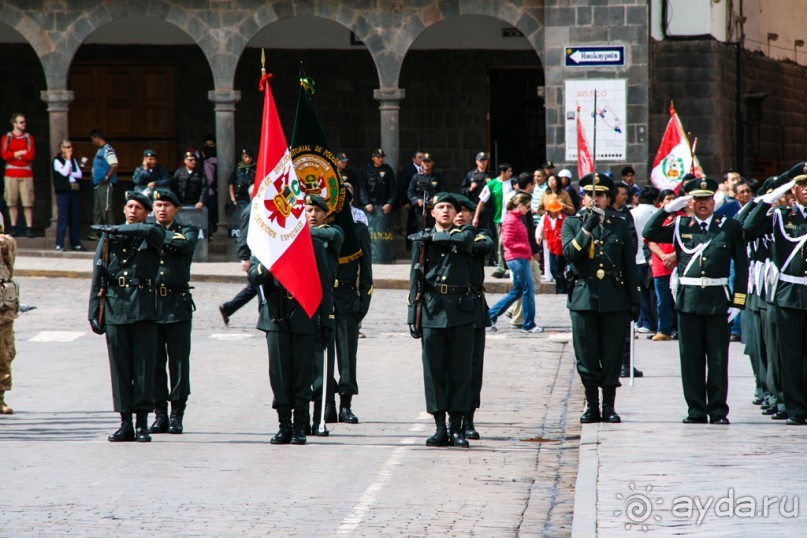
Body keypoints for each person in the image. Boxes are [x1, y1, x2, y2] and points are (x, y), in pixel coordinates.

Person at [643, 177, 748, 425]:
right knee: (690, 359)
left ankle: (718, 410)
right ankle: (696, 410)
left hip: (717, 301)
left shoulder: (729, 226)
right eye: (698, 199)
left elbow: (742, 266)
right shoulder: (680, 225)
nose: (703, 204)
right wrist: (668, 208)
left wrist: (738, 302)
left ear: (714, 201)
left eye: (707, 199)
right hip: (688, 301)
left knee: (718, 359)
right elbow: (649, 232)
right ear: (691, 202)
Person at [248, 194, 338, 445]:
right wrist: (271, 260)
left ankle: (300, 426)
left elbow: (325, 288)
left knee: (301, 374)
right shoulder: (266, 244)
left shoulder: (315, 245)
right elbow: (254, 278)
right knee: (279, 375)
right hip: (275, 317)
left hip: (304, 315)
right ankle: (284, 425)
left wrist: (327, 321)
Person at [562, 173, 640, 424]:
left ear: (608, 199)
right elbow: (570, 254)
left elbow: (628, 264)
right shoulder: (572, 224)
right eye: (590, 195)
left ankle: (608, 406)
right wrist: (587, 227)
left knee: (611, 353)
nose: (594, 199)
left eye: (600, 195)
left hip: (614, 298)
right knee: (586, 354)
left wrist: (634, 299)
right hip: (584, 297)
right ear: (583, 198)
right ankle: (591, 405)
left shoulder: (619, 224)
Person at [88, 191, 163, 442]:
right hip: (115, 307)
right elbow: (98, 273)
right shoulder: (109, 237)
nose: (133, 210)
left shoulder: (152, 233)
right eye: (129, 206)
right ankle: (125, 423)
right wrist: (93, 311)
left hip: (142, 308)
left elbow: (151, 233)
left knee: (143, 368)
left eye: (138, 208)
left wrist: (116, 229)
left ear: (146, 213)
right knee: (119, 369)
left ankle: (142, 423)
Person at [408, 193, 476, 448]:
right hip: (431, 309)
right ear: (433, 213)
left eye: (450, 207)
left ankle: (456, 426)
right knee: (433, 371)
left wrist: (434, 237)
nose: (446, 211)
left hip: (460, 310)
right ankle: (439, 427)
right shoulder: (421, 240)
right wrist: (411, 315)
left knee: (460, 370)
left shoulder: (465, 233)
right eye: (440, 207)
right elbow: (415, 277)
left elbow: (466, 241)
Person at [743, 167, 807, 425]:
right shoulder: (782, 216)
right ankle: (796, 407)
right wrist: (776, 190)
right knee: (790, 354)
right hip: (789, 292)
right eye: (802, 185)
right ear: (794, 190)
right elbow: (748, 225)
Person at [147, 189, 199, 436]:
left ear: (175, 209)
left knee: (178, 363)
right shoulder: (145, 230)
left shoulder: (187, 230)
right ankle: (160, 414)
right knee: (155, 363)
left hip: (177, 304)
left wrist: (154, 234)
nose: (161, 209)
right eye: (158, 204)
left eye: (167, 205)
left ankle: (177, 413)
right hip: (153, 304)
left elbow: (184, 245)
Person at [330, 187, 372, 425]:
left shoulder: (358, 230)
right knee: (321, 354)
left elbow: (367, 272)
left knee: (347, 355)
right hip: (324, 297)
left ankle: (345, 404)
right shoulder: (318, 231)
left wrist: (362, 303)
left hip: (347, 297)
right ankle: (326, 403)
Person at [453, 193, 493, 439]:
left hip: (474, 309)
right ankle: (450, 419)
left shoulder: (480, 234)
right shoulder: (440, 236)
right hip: (449, 310)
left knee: (472, 366)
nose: (458, 214)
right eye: (454, 210)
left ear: (471, 215)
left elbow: (483, 245)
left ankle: (468, 418)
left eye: (463, 211)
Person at [308, 196, 344, 436]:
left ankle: (318, 418)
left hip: (323, 302)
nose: (312, 215)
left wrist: (296, 232)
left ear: (325, 214)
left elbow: (332, 237)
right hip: (299, 304)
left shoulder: (333, 232)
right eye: (307, 210)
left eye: (317, 211)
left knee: (322, 368)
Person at [487, 193, 543, 334]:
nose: (529, 209)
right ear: (520, 205)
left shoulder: (517, 218)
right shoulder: (511, 220)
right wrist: (526, 248)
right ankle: (528, 324)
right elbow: (507, 242)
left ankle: (490, 315)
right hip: (517, 259)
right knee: (528, 291)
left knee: (517, 291)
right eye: (528, 206)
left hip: (520, 258)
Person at [646, 189, 679, 342]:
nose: (671, 201)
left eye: (674, 198)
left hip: (679, 265)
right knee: (662, 300)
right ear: (661, 203)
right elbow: (649, 241)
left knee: (679, 299)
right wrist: (664, 256)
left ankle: (679, 329)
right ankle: (663, 329)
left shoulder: (683, 219)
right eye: (668, 199)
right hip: (661, 265)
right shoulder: (657, 220)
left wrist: (674, 256)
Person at [219, 200, 257, 326]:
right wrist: (244, 257)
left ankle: (228, 308)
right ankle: (228, 308)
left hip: (258, 257)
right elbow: (244, 234)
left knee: (254, 288)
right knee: (256, 287)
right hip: (255, 258)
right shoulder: (252, 209)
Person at [472, 163, 514, 278]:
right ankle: (501, 267)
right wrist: (476, 216)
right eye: (509, 171)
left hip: (512, 219)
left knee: (506, 242)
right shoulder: (492, 184)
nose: (511, 174)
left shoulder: (513, 183)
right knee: (501, 242)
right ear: (503, 172)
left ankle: (509, 267)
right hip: (499, 219)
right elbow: (481, 201)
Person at [357, 148, 397, 262]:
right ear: (373, 158)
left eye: (382, 157)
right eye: (378, 157)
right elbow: (362, 188)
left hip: (384, 207)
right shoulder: (366, 170)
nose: (381, 159)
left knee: (384, 233)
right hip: (370, 207)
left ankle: (386, 255)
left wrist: (390, 202)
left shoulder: (387, 170)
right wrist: (366, 203)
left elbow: (393, 188)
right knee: (370, 233)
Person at [630, 186, 660, 334]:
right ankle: (652, 321)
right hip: (653, 257)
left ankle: (644, 321)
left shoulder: (632, 213)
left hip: (636, 257)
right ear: (655, 199)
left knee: (640, 293)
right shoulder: (658, 213)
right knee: (653, 294)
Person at [1, 113, 35, 237]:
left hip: (26, 173)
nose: (24, 124)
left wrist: (14, 154)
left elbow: (30, 155)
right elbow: (5, 155)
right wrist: (19, 153)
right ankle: (14, 226)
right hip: (11, 173)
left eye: (24, 122)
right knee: (11, 201)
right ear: (14, 123)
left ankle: (29, 227)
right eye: (21, 122)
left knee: (28, 202)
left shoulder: (28, 138)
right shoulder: (7, 138)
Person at [51, 139, 85, 252]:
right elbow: (64, 172)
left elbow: (79, 174)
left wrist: (71, 167)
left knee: (74, 216)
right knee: (63, 216)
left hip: (74, 190)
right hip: (63, 191)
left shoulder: (74, 160)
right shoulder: (57, 160)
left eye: (71, 147)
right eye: (67, 147)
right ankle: (59, 243)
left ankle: (75, 243)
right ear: (62, 148)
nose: (70, 149)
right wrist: (68, 160)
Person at [87, 129, 119, 240]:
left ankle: (110, 233)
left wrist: (106, 177)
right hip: (98, 184)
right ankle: (97, 232)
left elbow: (114, 164)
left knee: (106, 208)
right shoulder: (99, 150)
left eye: (93, 140)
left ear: (97, 138)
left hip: (105, 185)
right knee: (97, 209)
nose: (92, 142)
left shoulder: (107, 149)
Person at [0, 232, 18, 414]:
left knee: (3, 354)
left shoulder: (5, 243)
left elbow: (7, 246)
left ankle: (0, 397)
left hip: (2, 311)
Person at [407, 152, 445, 230]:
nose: (427, 164)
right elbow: (410, 192)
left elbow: (443, 191)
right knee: (420, 229)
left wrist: (436, 199)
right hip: (420, 209)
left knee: (434, 229)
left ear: (432, 163)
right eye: (425, 162)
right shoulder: (416, 177)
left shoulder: (438, 177)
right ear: (421, 163)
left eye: (429, 161)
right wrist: (417, 200)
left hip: (434, 208)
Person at [542, 197, 566, 294]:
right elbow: (540, 228)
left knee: (559, 271)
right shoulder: (545, 218)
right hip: (551, 248)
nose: (556, 213)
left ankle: (561, 289)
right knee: (553, 270)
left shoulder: (564, 219)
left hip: (560, 250)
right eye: (554, 211)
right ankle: (562, 286)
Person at [201, 144, 218, 236]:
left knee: (211, 215)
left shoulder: (208, 164)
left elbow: (209, 179)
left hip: (210, 193)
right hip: (215, 191)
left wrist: (204, 187)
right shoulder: (216, 162)